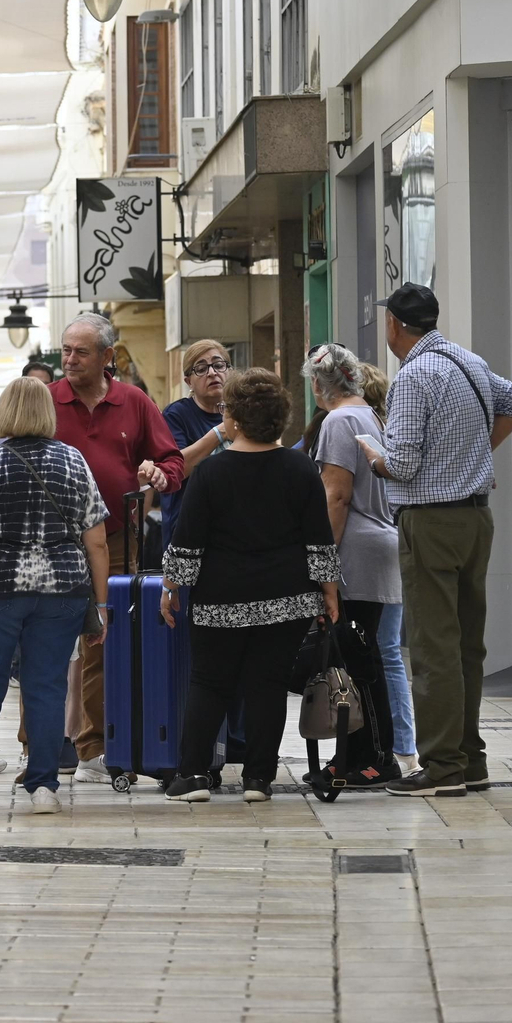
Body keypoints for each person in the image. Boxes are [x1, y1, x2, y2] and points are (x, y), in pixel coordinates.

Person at [358, 283, 512, 798]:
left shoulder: (412, 375)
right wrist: (477, 456)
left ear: (394, 326)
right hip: (476, 518)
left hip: (431, 523)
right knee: (467, 646)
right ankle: (469, 758)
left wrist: (373, 456)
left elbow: (403, 462)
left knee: (433, 647)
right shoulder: (467, 361)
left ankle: (441, 766)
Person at [159, 369, 340, 802]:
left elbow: (188, 542)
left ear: (233, 418)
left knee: (209, 683)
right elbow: (320, 539)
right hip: (287, 598)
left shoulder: (211, 473)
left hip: (220, 598)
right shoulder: (300, 469)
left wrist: (171, 587)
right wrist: (329, 590)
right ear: (281, 417)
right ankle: (258, 779)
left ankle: (193, 776)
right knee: (268, 685)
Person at [0, 378, 110, 815]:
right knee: (46, 690)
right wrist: (101, 606)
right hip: (61, 592)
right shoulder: (73, 462)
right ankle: (44, 788)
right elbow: (98, 542)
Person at [52, 314, 185, 783]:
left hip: (114, 542)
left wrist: (159, 475)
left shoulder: (135, 402)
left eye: (80, 352)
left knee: (101, 641)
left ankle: (95, 745)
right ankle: (42, 749)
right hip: (53, 542)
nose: (69, 359)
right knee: (43, 644)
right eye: (66, 350)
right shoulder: (47, 400)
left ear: (108, 356)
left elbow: (171, 460)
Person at [301, 343, 402, 789]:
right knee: (362, 659)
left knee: (360, 662)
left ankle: (376, 759)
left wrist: (322, 564)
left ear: (319, 385)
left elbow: (336, 496)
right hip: (377, 546)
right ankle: (359, 756)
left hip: (356, 553)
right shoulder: (369, 415)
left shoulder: (339, 420)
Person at [361, 362, 417, 774]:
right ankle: (405, 747)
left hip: (368, 555)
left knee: (379, 652)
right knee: (390, 652)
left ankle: (395, 746)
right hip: (395, 545)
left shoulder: (360, 436)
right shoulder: (396, 435)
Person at [160, 339, 231, 545]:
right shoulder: (176, 415)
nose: (212, 373)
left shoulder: (241, 411)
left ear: (229, 371)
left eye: (219, 365)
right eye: (201, 369)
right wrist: (219, 433)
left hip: (231, 528)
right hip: (187, 529)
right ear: (188, 382)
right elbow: (176, 470)